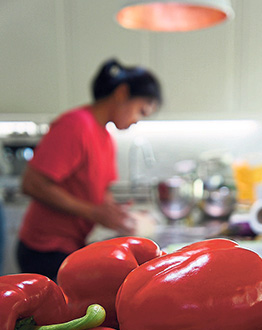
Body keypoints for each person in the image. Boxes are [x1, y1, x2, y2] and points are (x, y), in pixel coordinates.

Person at [17, 58, 162, 282]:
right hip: (45, 249)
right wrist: (93, 212)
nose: (137, 121)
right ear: (122, 93)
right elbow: (32, 184)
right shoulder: (75, 125)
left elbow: (100, 191)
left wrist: (118, 213)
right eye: (141, 111)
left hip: (70, 245)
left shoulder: (104, 136)